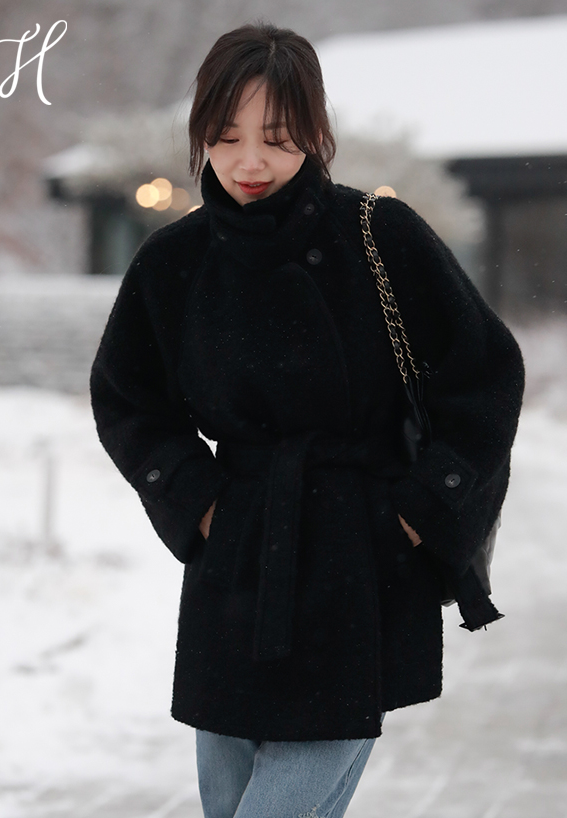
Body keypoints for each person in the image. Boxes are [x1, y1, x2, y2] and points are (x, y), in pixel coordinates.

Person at [89, 22, 525, 818]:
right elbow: (127, 398)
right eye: (226, 137)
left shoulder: (380, 235)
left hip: (359, 552)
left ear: (315, 134)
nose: (249, 162)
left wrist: (421, 511)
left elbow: (485, 374)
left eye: (278, 138)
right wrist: (199, 501)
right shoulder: (174, 261)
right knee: (227, 801)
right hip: (235, 559)